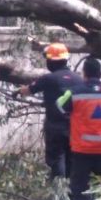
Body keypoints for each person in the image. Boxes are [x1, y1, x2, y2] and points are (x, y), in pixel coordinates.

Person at [56, 56, 101, 200]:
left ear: (84, 74)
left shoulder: (75, 93)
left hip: (82, 149)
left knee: (80, 185)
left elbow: (60, 106)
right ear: (100, 73)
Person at [19, 43, 83, 180]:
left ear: (51, 62)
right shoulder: (79, 79)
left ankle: (58, 194)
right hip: (75, 127)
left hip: (55, 126)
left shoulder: (48, 79)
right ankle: (70, 195)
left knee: (57, 158)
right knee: (71, 159)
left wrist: (20, 90)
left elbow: (28, 90)